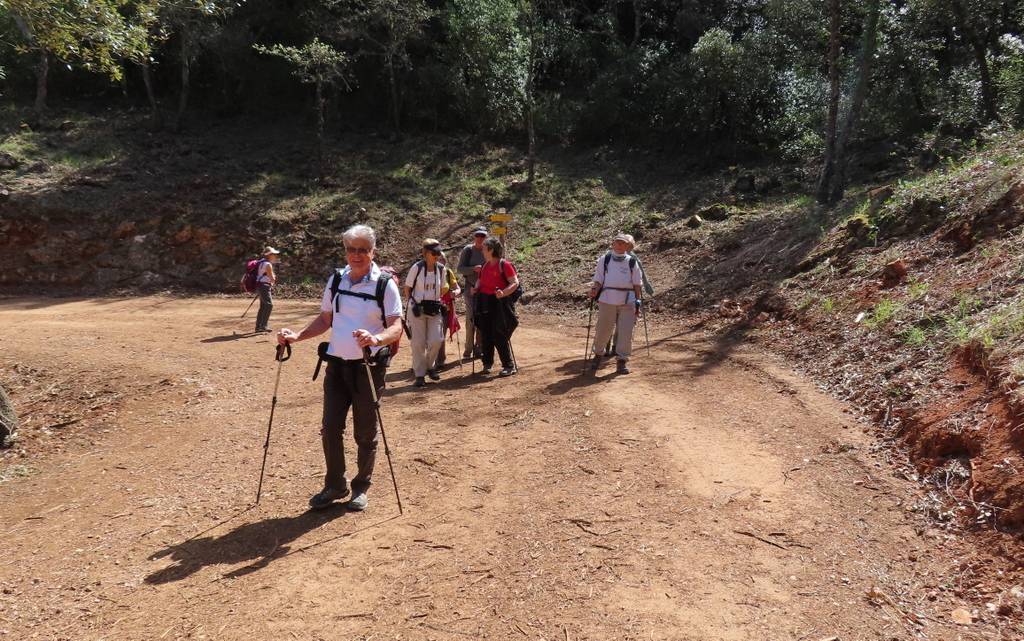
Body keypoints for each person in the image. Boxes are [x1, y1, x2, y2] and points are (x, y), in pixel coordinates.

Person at [276, 224, 403, 512]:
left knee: (365, 431)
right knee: (330, 427)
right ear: (345, 250)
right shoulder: (336, 280)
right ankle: (335, 485)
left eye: (362, 250)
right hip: (336, 366)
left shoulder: (384, 284)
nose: (356, 255)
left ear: (372, 252)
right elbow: (325, 320)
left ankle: (361, 487)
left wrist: (376, 339)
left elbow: (397, 326)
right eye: (351, 249)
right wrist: (297, 336)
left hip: (368, 368)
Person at [588, 233, 645, 375]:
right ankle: (598, 355)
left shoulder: (632, 261)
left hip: (628, 300)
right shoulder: (604, 259)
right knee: (602, 329)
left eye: (623, 243)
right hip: (607, 299)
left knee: (626, 332)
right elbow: (599, 278)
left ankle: (622, 361)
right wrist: (595, 289)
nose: (620, 245)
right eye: (617, 242)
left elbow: (637, 284)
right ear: (613, 244)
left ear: (628, 246)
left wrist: (638, 300)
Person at [473, 237, 519, 376]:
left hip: (500, 303)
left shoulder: (504, 264)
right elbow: (480, 282)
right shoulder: (485, 265)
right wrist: (475, 289)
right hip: (485, 301)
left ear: (491, 250)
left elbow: (514, 283)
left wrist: (503, 293)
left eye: (484, 248)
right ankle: (487, 363)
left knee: (499, 334)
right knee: (485, 333)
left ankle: (508, 365)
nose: (482, 250)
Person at [404, 239, 448, 387]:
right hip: (417, 308)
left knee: (436, 339)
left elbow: (442, 289)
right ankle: (420, 374)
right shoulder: (416, 268)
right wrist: (412, 304)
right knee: (418, 343)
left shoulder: (441, 269)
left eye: (438, 252)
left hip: (434, 308)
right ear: (426, 253)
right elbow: (407, 288)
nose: (437, 255)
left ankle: (430, 366)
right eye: (434, 253)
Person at [457, 228, 488, 359]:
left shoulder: (488, 250)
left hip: (485, 290)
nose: (480, 238)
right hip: (470, 289)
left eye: (482, 236)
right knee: (471, 320)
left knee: (483, 320)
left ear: (486, 237)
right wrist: (473, 269)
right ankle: (468, 349)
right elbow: (460, 269)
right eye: (478, 235)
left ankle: (479, 347)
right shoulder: (468, 250)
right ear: (474, 237)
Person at [433, 251, 461, 369]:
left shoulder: (448, 273)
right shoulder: (428, 272)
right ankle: (430, 360)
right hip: (431, 308)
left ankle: (440, 360)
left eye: (443, 260)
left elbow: (457, 289)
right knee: (431, 336)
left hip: (445, 309)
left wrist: (455, 293)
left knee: (440, 335)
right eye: (438, 259)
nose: (441, 262)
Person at [255, 246, 280, 333]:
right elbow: (271, 278)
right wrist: (273, 279)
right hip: (264, 286)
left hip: (260, 286)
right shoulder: (268, 264)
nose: (275, 256)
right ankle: (263, 326)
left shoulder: (261, 262)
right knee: (269, 305)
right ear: (269, 255)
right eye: (273, 254)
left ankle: (258, 326)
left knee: (263, 306)